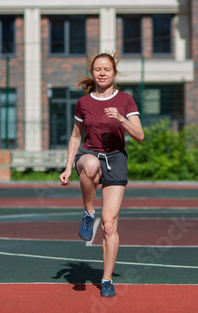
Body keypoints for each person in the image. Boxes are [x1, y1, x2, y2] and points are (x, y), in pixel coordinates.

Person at [59, 52, 144, 298]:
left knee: (109, 226)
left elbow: (139, 136)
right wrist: (67, 167)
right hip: (89, 154)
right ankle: (88, 212)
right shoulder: (84, 103)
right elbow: (76, 136)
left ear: (114, 73)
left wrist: (121, 119)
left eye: (107, 69)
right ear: (93, 72)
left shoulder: (126, 100)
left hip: (117, 159)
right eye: (98, 69)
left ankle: (106, 280)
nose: (102, 73)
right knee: (91, 164)